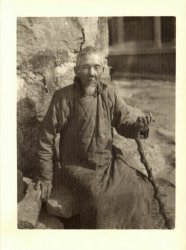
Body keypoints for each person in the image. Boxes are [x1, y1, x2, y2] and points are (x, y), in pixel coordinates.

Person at [36, 46, 154, 229]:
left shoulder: (109, 94)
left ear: (103, 70)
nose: (91, 73)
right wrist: (46, 176)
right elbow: (45, 136)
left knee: (140, 188)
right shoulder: (63, 98)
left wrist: (140, 127)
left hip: (108, 162)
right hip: (78, 166)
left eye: (97, 67)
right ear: (76, 71)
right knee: (100, 202)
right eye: (86, 67)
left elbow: (124, 124)